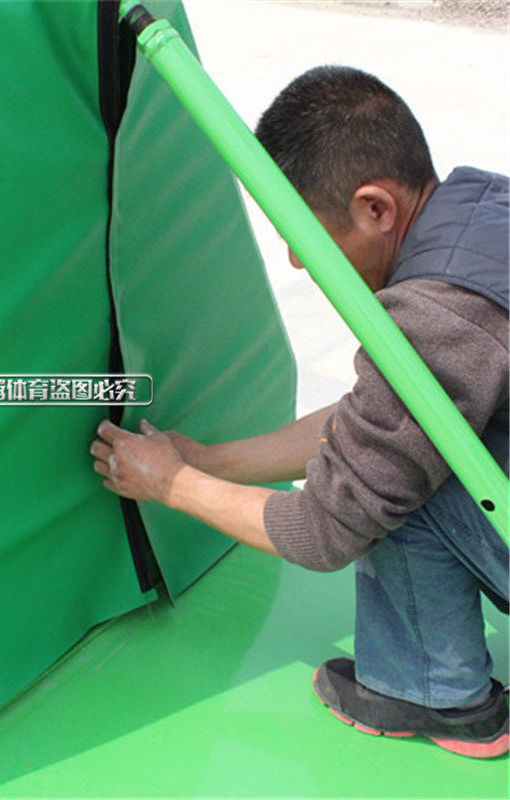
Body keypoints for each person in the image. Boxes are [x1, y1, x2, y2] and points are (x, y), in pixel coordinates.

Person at [90, 65, 509, 758]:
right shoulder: (483, 208)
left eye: (303, 232)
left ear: (375, 208)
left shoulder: (440, 316)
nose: (292, 258)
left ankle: (431, 693)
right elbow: (382, 415)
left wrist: (171, 484)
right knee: (402, 452)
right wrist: (210, 461)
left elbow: (325, 530)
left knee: (393, 486)